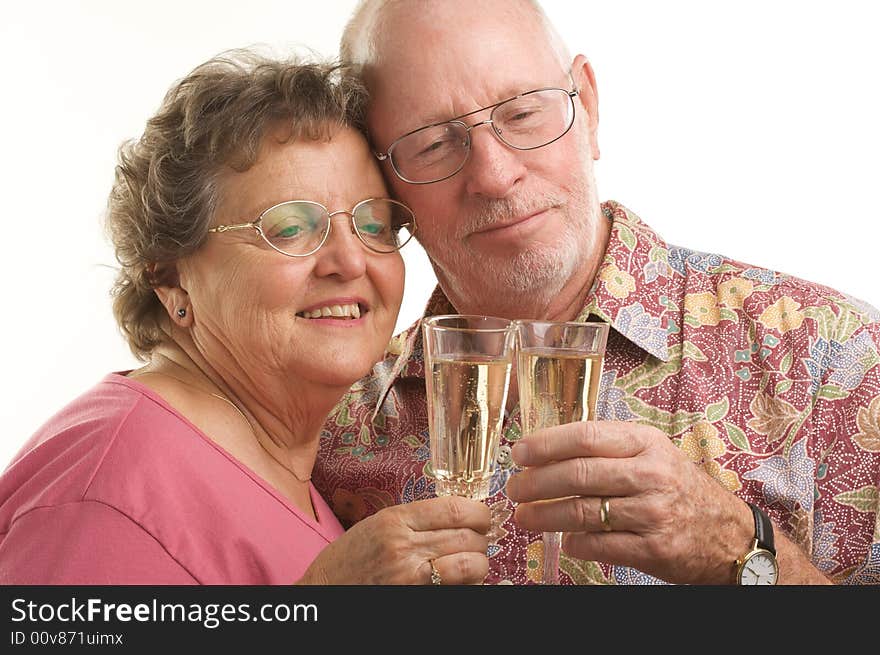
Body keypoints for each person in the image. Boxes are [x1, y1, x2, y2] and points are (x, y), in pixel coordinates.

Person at [312, 0, 880, 585]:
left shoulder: (833, 356)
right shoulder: (338, 424)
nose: (494, 175)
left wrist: (741, 550)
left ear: (589, 104)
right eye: (432, 144)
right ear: (384, 185)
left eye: (524, 114)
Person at [0, 49, 490, 585]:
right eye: (289, 228)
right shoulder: (111, 486)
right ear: (171, 277)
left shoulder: (290, 468)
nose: (351, 261)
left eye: (373, 225)